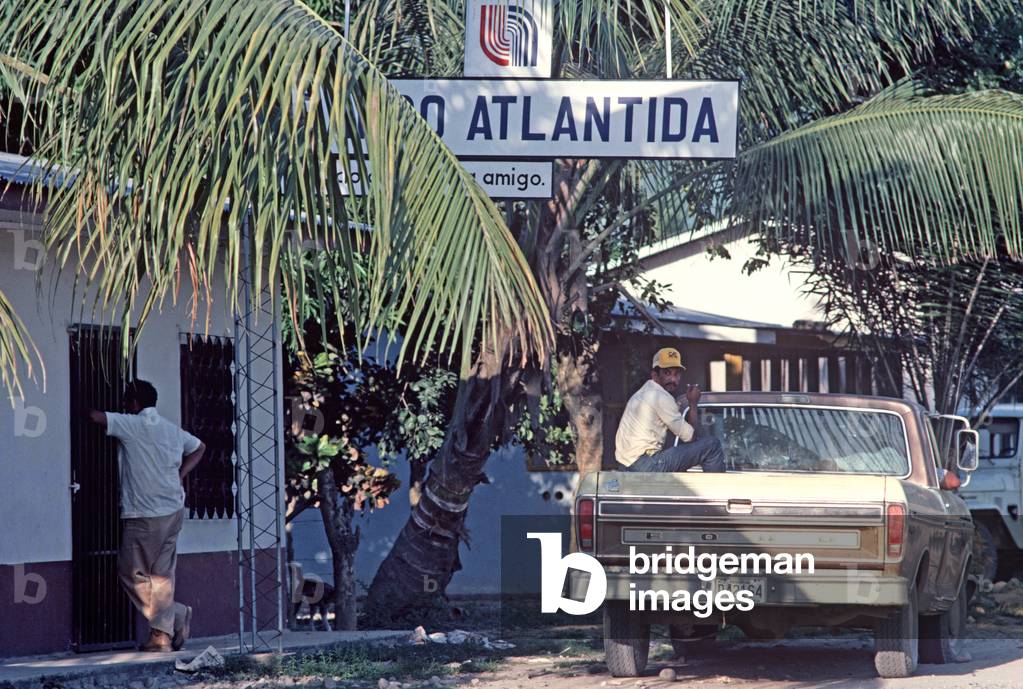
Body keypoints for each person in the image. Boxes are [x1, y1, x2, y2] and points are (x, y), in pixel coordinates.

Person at [87, 380, 206, 652]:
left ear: (133, 403)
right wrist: (181, 474)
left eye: (127, 401)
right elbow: (200, 447)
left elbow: (94, 417)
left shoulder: (132, 424)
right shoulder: (170, 429)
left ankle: (173, 616)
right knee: (161, 575)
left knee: (129, 571)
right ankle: (160, 637)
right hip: (173, 509)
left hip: (144, 513)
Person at [614, 348, 726, 473]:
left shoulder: (643, 392)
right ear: (654, 375)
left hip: (626, 464)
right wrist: (693, 404)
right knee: (712, 445)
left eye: (677, 374)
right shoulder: (660, 396)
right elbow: (691, 438)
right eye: (667, 373)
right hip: (646, 464)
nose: (673, 379)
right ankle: (715, 490)